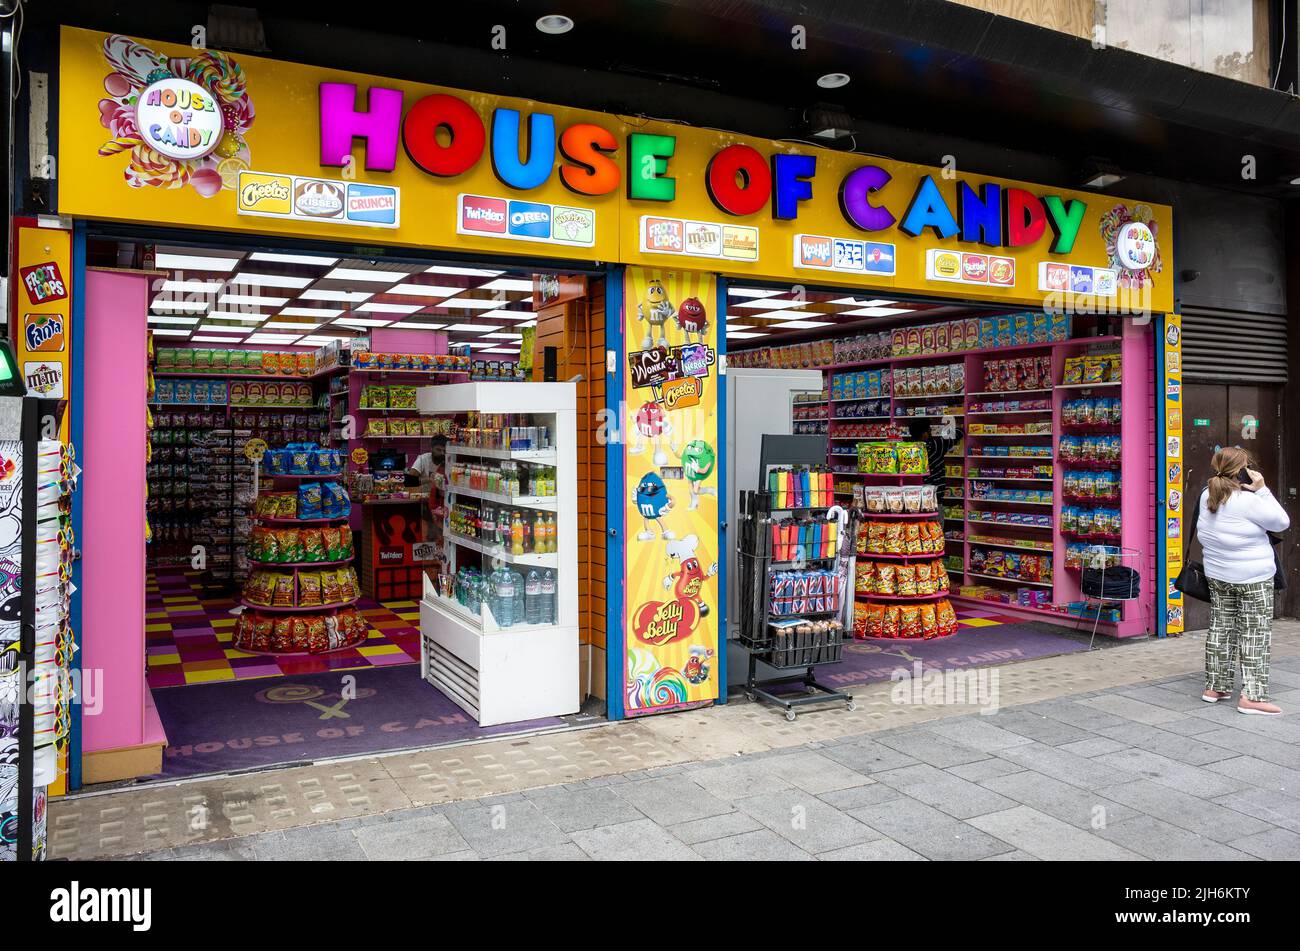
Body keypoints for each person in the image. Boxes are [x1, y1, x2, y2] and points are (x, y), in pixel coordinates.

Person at [1196, 446, 1289, 715]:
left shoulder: (1206, 495)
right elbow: (1282, 521)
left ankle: (1215, 686)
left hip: (1218, 575)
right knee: (1254, 634)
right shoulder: (1249, 500)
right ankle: (1253, 697)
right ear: (1243, 471)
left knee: (1221, 628)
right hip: (1253, 578)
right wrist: (1262, 489)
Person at [906, 417, 964, 507]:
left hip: (913, 497)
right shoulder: (935, 447)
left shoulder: (907, 450)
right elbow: (959, 432)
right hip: (934, 497)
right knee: (935, 521)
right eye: (929, 430)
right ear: (925, 434)